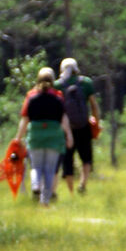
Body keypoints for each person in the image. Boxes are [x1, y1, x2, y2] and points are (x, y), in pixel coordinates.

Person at [15, 66, 73, 207]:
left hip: (35, 135)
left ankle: (36, 187)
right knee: (49, 170)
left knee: (36, 167)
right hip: (54, 136)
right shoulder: (58, 96)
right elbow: (64, 119)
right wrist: (69, 136)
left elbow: (25, 119)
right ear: (53, 81)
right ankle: (44, 201)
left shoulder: (31, 96)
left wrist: (18, 137)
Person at [56, 57, 100, 194]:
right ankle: (82, 183)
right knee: (86, 158)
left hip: (65, 128)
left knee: (67, 160)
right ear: (76, 69)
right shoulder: (86, 83)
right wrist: (96, 122)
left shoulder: (57, 85)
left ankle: (70, 192)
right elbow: (94, 105)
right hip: (83, 126)